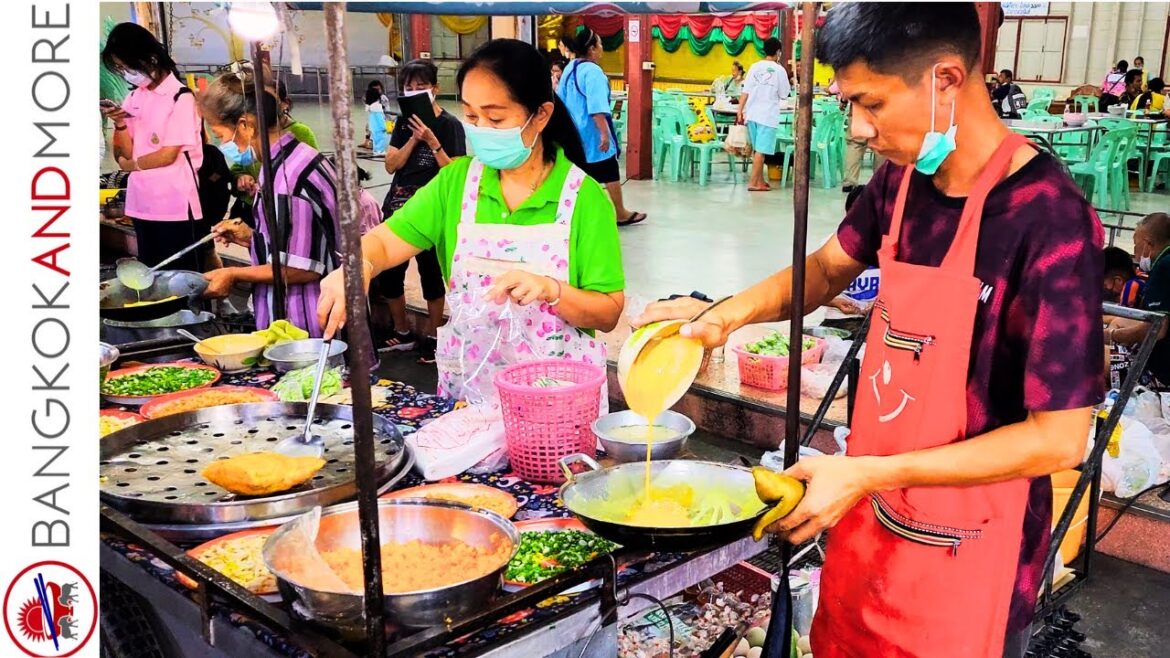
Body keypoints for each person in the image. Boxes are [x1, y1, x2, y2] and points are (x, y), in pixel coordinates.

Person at [635, 5, 1102, 657]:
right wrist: (720, 316)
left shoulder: (1049, 221)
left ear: (945, 79)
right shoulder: (902, 182)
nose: (857, 128)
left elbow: (1059, 439)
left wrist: (867, 474)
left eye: (871, 103)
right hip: (869, 521)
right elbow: (828, 268)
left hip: (970, 556)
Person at [317, 39, 625, 405]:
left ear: (540, 115)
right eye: (471, 116)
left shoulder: (583, 199)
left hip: (555, 407)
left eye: (495, 118)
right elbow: (384, 242)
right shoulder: (456, 183)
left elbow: (607, 312)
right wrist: (356, 267)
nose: (480, 128)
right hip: (471, 400)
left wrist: (550, 289)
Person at [198, 72, 344, 337]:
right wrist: (253, 238)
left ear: (245, 125)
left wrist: (233, 274)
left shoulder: (286, 178)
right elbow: (301, 241)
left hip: (305, 322)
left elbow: (302, 267)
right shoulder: (292, 158)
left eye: (220, 133)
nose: (222, 143)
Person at [373, 59, 466, 361]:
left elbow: (456, 174)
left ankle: (434, 335)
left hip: (432, 209)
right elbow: (390, 165)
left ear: (435, 89)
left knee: (431, 273)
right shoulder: (403, 124)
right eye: (408, 89)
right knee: (390, 273)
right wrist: (414, 138)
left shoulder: (450, 125)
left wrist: (432, 141)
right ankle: (401, 331)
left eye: (421, 88)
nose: (414, 93)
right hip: (400, 205)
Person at [101, 22, 210, 271]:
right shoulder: (133, 98)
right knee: (150, 273)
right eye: (119, 68)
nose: (125, 73)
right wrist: (119, 123)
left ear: (150, 59)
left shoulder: (181, 98)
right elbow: (122, 155)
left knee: (181, 276)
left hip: (175, 206)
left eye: (127, 66)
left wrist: (133, 166)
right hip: (142, 204)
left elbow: (167, 155)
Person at [559, 28, 646, 226]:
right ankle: (620, 212)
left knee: (575, 175)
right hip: (592, 134)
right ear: (591, 48)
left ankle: (572, 214)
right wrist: (604, 135)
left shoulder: (570, 68)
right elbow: (597, 107)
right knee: (609, 170)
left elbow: (561, 102)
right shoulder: (593, 72)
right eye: (599, 45)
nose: (602, 48)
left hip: (572, 134)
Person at [1107, 213, 1170, 385]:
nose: (1135, 253)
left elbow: (1156, 329)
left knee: (1089, 356)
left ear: (1148, 244)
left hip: (1155, 374)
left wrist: (1113, 336)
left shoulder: (1165, 268)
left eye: (1136, 245)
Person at [738, 37, 791, 192]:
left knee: (757, 150)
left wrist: (740, 111)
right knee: (761, 152)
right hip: (767, 116)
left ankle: (760, 181)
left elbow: (745, 91)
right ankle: (753, 183)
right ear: (778, 52)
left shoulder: (754, 67)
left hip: (752, 114)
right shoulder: (779, 70)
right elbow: (784, 94)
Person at [276, 80, 319, 149]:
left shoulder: (302, 132)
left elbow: (313, 159)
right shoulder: (254, 132)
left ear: (285, 104)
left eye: (272, 101)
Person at [365, 87, 391, 156]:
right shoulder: (378, 107)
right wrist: (384, 126)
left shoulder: (370, 107)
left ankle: (375, 150)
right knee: (381, 139)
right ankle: (380, 151)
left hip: (373, 127)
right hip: (379, 127)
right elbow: (380, 119)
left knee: (375, 140)